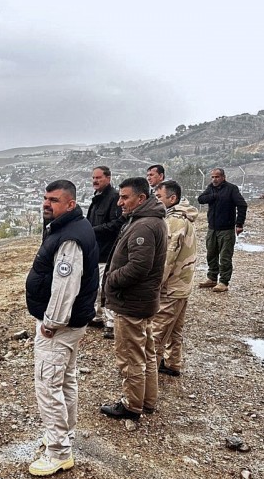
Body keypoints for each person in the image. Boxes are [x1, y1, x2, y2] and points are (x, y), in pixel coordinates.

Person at [25, 180, 99, 476]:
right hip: (70, 325)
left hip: (59, 327)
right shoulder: (69, 228)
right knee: (65, 380)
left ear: (70, 204)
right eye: (45, 198)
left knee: (48, 385)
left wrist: (51, 324)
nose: (47, 204)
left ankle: (58, 452)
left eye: (54, 200)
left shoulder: (70, 238)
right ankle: (63, 435)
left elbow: (65, 287)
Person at [100, 176, 167, 421]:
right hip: (142, 301)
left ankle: (131, 404)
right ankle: (146, 400)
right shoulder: (147, 220)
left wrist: (111, 279)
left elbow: (139, 266)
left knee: (130, 356)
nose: (119, 202)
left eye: (125, 197)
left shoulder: (144, 226)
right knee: (146, 353)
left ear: (141, 198)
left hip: (131, 303)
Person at [152, 181, 198, 377]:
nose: (156, 201)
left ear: (172, 199)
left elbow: (167, 259)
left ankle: (147, 376)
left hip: (171, 287)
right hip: (182, 285)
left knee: (156, 334)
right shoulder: (183, 217)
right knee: (175, 331)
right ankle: (172, 363)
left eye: (159, 197)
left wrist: (154, 285)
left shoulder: (174, 222)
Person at [86, 166, 124, 338]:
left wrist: (92, 230)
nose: (95, 181)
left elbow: (116, 224)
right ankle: (97, 316)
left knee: (106, 287)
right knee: (94, 285)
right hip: (95, 250)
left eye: (98, 177)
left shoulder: (114, 198)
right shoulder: (97, 198)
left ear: (108, 178)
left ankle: (110, 322)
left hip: (107, 251)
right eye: (93, 177)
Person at [197, 168, 248, 293]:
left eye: (217, 177)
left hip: (226, 229)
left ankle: (224, 282)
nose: (214, 179)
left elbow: (242, 205)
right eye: (213, 177)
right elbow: (201, 199)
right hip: (212, 228)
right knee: (211, 254)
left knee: (225, 257)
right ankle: (212, 277)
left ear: (223, 177)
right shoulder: (211, 188)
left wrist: (239, 223)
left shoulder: (231, 189)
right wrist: (213, 196)